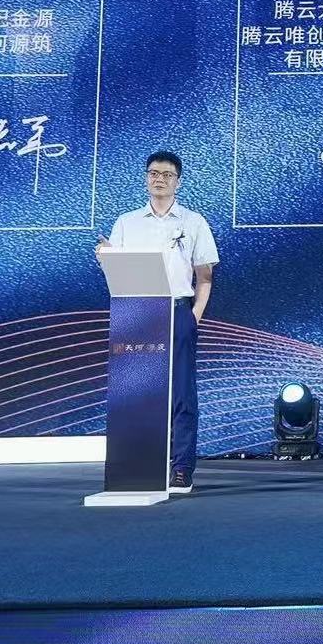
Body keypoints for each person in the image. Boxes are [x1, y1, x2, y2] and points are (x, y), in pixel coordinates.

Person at [99, 151, 217, 493]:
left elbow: (205, 276)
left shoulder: (193, 222)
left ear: (178, 181)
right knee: (135, 391)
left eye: (167, 174)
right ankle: (136, 464)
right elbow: (117, 271)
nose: (159, 179)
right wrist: (105, 258)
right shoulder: (127, 222)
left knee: (181, 393)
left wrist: (193, 316)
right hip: (135, 314)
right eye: (154, 173)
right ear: (146, 178)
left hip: (178, 310)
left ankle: (181, 468)